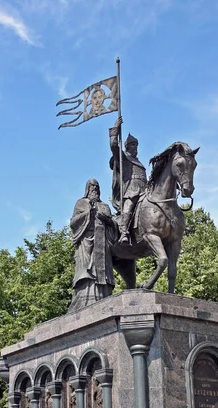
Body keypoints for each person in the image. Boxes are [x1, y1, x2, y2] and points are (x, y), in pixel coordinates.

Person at [68, 179, 116, 312]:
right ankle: (84, 300)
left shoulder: (105, 206)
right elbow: (73, 223)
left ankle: (103, 297)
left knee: (103, 272)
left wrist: (107, 220)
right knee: (87, 271)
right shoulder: (81, 203)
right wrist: (89, 211)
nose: (94, 188)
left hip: (103, 242)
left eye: (97, 186)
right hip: (87, 241)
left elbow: (114, 225)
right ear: (87, 188)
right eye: (92, 186)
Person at [109, 116, 147, 244]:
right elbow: (114, 145)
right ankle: (124, 232)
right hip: (131, 190)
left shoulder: (139, 162)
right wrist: (116, 128)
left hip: (145, 190)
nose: (135, 147)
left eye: (136, 145)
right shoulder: (123, 158)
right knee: (129, 206)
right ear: (127, 147)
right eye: (132, 145)